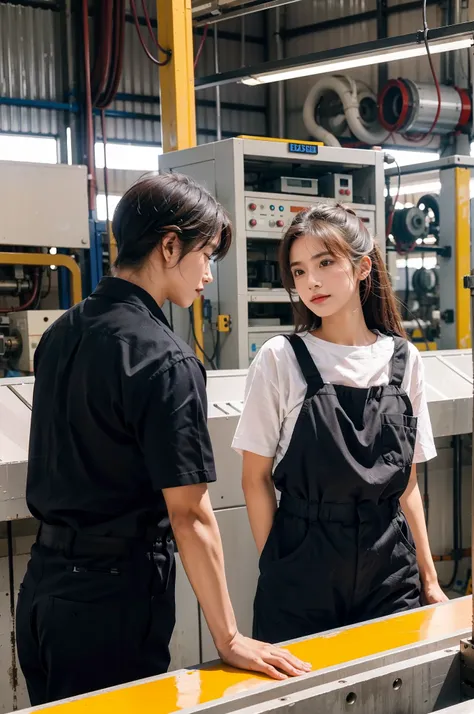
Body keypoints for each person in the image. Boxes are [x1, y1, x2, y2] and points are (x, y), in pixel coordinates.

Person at [16, 172, 310, 706]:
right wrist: (230, 637)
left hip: (42, 594)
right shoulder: (164, 358)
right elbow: (190, 515)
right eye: (205, 255)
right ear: (170, 244)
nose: (207, 275)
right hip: (112, 604)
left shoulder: (61, 333)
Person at [232, 203, 447, 644]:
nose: (311, 281)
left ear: (363, 266)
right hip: (302, 569)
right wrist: (277, 566)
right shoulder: (280, 359)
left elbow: (407, 484)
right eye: (298, 271)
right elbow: (254, 480)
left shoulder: (405, 361)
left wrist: (428, 578)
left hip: (389, 566)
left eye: (325, 263)